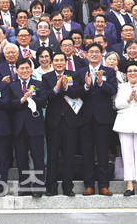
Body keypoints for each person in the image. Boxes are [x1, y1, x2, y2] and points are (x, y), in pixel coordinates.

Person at [79, 43, 118, 196]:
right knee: (87, 152)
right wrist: (86, 87)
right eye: (91, 52)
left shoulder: (109, 71)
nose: (94, 54)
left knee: (103, 152)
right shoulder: (81, 72)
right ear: (87, 54)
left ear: (102, 54)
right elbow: (76, 92)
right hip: (86, 117)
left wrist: (101, 83)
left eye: (97, 52)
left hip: (104, 117)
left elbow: (113, 90)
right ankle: (88, 185)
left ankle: (103, 185)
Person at [42, 52, 81, 197]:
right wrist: (57, 88)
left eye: (61, 60)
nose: (59, 63)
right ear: (52, 62)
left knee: (69, 155)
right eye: (56, 60)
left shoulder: (74, 75)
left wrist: (66, 88)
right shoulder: (47, 77)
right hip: (53, 121)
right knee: (52, 155)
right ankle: (51, 186)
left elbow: (78, 92)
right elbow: (46, 96)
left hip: (70, 121)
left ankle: (67, 186)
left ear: (66, 62)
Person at [113, 60, 137, 196]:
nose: (133, 73)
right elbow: (118, 104)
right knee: (127, 153)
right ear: (126, 74)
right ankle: (129, 183)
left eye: (135, 71)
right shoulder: (122, 87)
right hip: (125, 122)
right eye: (129, 71)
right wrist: (128, 100)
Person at [9, 58, 47, 197]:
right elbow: (10, 104)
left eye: (27, 68)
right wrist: (22, 100)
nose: (24, 71)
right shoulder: (12, 86)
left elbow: (44, 101)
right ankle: (24, 186)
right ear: (17, 71)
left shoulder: (39, 84)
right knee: (21, 158)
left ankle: (38, 187)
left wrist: (32, 98)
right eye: (22, 69)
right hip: (18, 127)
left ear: (31, 70)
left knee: (38, 158)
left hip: (35, 125)